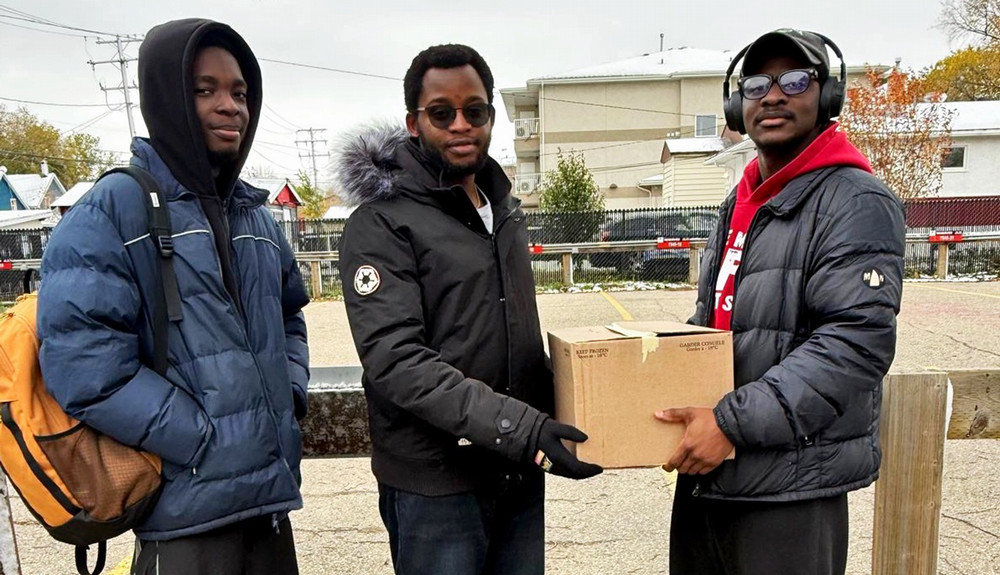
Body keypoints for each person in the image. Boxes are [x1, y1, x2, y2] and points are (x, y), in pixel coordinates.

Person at [37, 19, 309, 575]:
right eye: (204, 89)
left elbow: (290, 315)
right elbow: (83, 367)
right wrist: (199, 437)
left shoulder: (255, 215)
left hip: (269, 514)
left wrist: (290, 395)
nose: (230, 106)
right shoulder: (111, 211)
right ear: (165, 96)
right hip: (182, 524)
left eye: (239, 92)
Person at [337, 43, 602, 575]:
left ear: (490, 116)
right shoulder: (381, 224)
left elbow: (511, 339)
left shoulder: (502, 210)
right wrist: (521, 428)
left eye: (474, 111)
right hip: (437, 486)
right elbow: (396, 361)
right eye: (442, 113)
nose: (460, 125)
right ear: (414, 122)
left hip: (514, 472)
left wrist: (589, 401)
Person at [654, 29, 905, 575]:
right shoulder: (741, 200)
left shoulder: (854, 201)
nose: (772, 96)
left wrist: (729, 425)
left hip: (790, 490)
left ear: (826, 97)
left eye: (795, 80)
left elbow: (853, 345)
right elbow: (717, 323)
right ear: (736, 104)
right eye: (757, 83)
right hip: (715, 477)